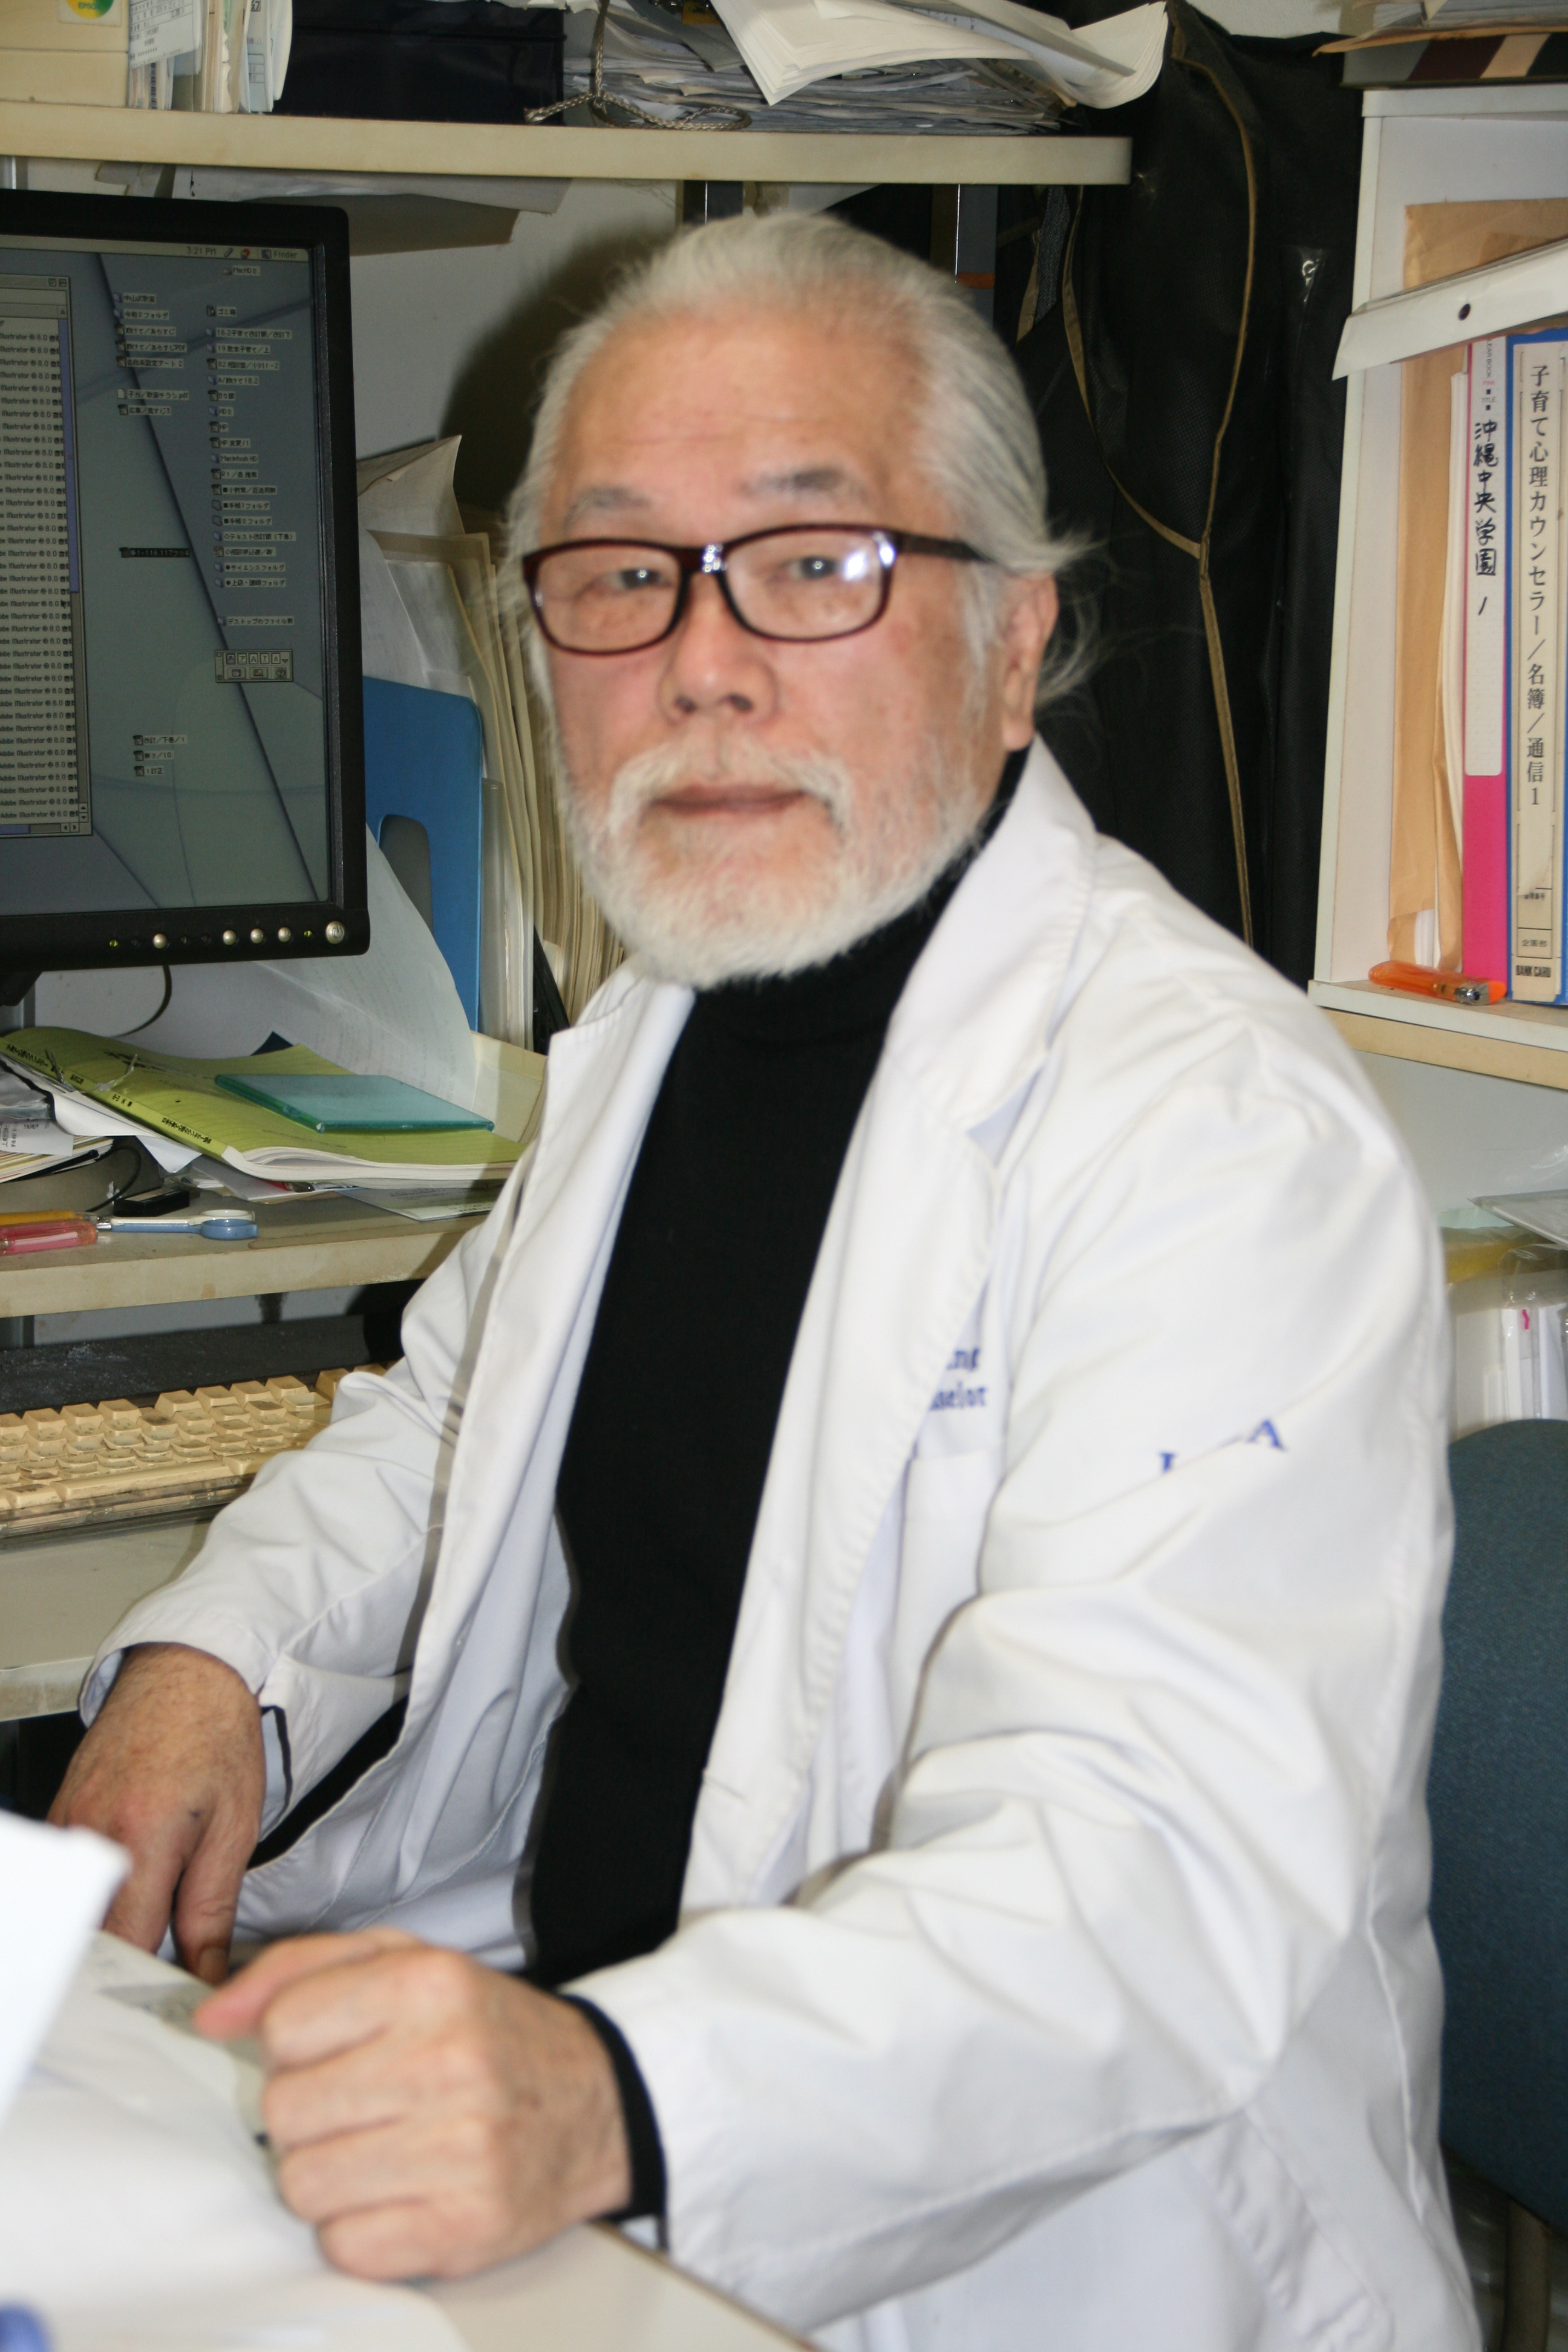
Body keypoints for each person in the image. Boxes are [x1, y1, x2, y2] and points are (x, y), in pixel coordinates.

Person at [50, 212, 1478, 2352]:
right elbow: (456, 1419)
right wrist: (212, 1658)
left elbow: (1142, 1877)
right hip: (591, 2121)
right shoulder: (675, 1013)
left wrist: (617, 2096)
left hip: (1015, 2251)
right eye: (622, 574)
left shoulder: (1215, 1140)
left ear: (1014, 640)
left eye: (816, 564)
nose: (702, 664)